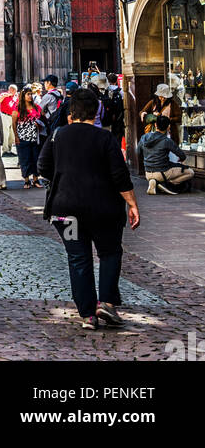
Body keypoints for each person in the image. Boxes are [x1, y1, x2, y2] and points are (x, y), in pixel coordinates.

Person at [38, 87, 139, 330]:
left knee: (78, 258)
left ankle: (87, 314)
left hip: (66, 212)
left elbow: (42, 167)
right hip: (103, 211)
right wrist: (132, 204)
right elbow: (120, 176)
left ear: (71, 114)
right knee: (109, 252)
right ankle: (105, 302)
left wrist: (64, 178)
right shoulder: (105, 138)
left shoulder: (57, 135)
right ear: (96, 114)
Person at [137, 115, 195, 194]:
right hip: (162, 173)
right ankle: (165, 184)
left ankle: (154, 182)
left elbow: (138, 152)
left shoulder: (144, 137)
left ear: (155, 125)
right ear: (168, 127)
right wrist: (181, 159)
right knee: (190, 172)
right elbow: (182, 155)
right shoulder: (167, 140)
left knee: (171, 167)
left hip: (147, 173)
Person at [11, 84, 45, 188]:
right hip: (22, 137)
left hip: (35, 137)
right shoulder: (18, 108)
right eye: (28, 94)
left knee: (35, 158)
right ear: (23, 95)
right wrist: (16, 136)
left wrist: (40, 124)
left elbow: (42, 118)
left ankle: (36, 179)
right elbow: (14, 123)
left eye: (31, 94)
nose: (30, 96)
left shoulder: (36, 107)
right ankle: (26, 180)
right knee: (24, 159)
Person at [0, 84, 18, 154]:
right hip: (5, 115)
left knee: (12, 134)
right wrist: (4, 96)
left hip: (13, 117)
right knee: (5, 133)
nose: (15, 92)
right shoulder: (4, 94)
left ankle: (9, 149)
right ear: (10, 90)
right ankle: (5, 150)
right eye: (14, 91)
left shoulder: (16, 97)